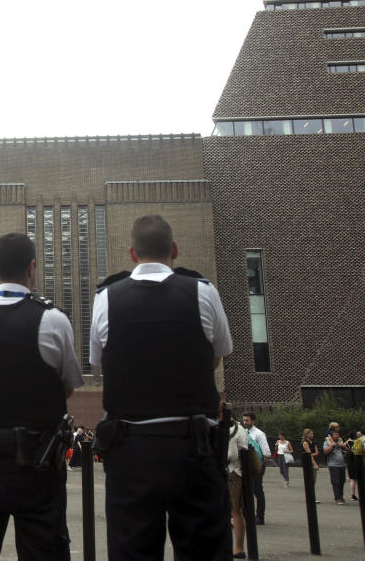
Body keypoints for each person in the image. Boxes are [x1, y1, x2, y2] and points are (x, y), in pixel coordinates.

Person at [90, 215, 233, 559]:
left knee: (132, 550)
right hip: (194, 448)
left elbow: (101, 362)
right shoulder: (203, 291)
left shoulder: (106, 297)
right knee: (205, 550)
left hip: (131, 450)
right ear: (175, 250)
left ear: (131, 253)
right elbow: (216, 357)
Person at [0, 232, 85, 560]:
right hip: (36, 466)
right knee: (45, 549)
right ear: (33, 267)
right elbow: (67, 386)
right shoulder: (53, 319)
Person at [227, 413, 252, 559]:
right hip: (236, 471)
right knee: (236, 510)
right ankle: (238, 547)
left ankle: (238, 547)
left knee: (235, 510)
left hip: (231, 472)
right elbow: (244, 448)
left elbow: (234, 454)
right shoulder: (240, 429)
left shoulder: (225, 429)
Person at [242, 412, 271, 524]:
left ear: (253, 421)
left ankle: (260, 516)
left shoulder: (259, 434)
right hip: (246, 465)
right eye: (244, 420)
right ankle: (247, 515)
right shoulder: (243, 432)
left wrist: (259, 464)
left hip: (257, 465)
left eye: (247, 420)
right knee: (246, 491)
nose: (245, 422)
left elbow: (267, 452)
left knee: (257, 491)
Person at [323, 422, 348, 504]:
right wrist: (332, 445)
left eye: (338, 434)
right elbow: (325, 451)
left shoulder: (340, 442)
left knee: (342, 481)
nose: (337, 435)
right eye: (335, 434)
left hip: (342, 465)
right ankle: (338, 498)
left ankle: (341, 496)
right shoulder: (327, 440)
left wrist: (343, 446)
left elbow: (348, 451)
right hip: (333, 465)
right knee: (336, 481)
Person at [302, 428, 320, 502]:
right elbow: (309, 455)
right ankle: (310, 497)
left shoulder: (313, 442)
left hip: (312, 460)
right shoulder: (305, 443)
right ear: (307, 434)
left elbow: (317, 452)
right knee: (310, 480)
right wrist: (315, 464)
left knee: (313, 480)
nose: (313, 435)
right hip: (308, 463)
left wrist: (311, 455)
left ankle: (311, 496)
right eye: (311, 433)